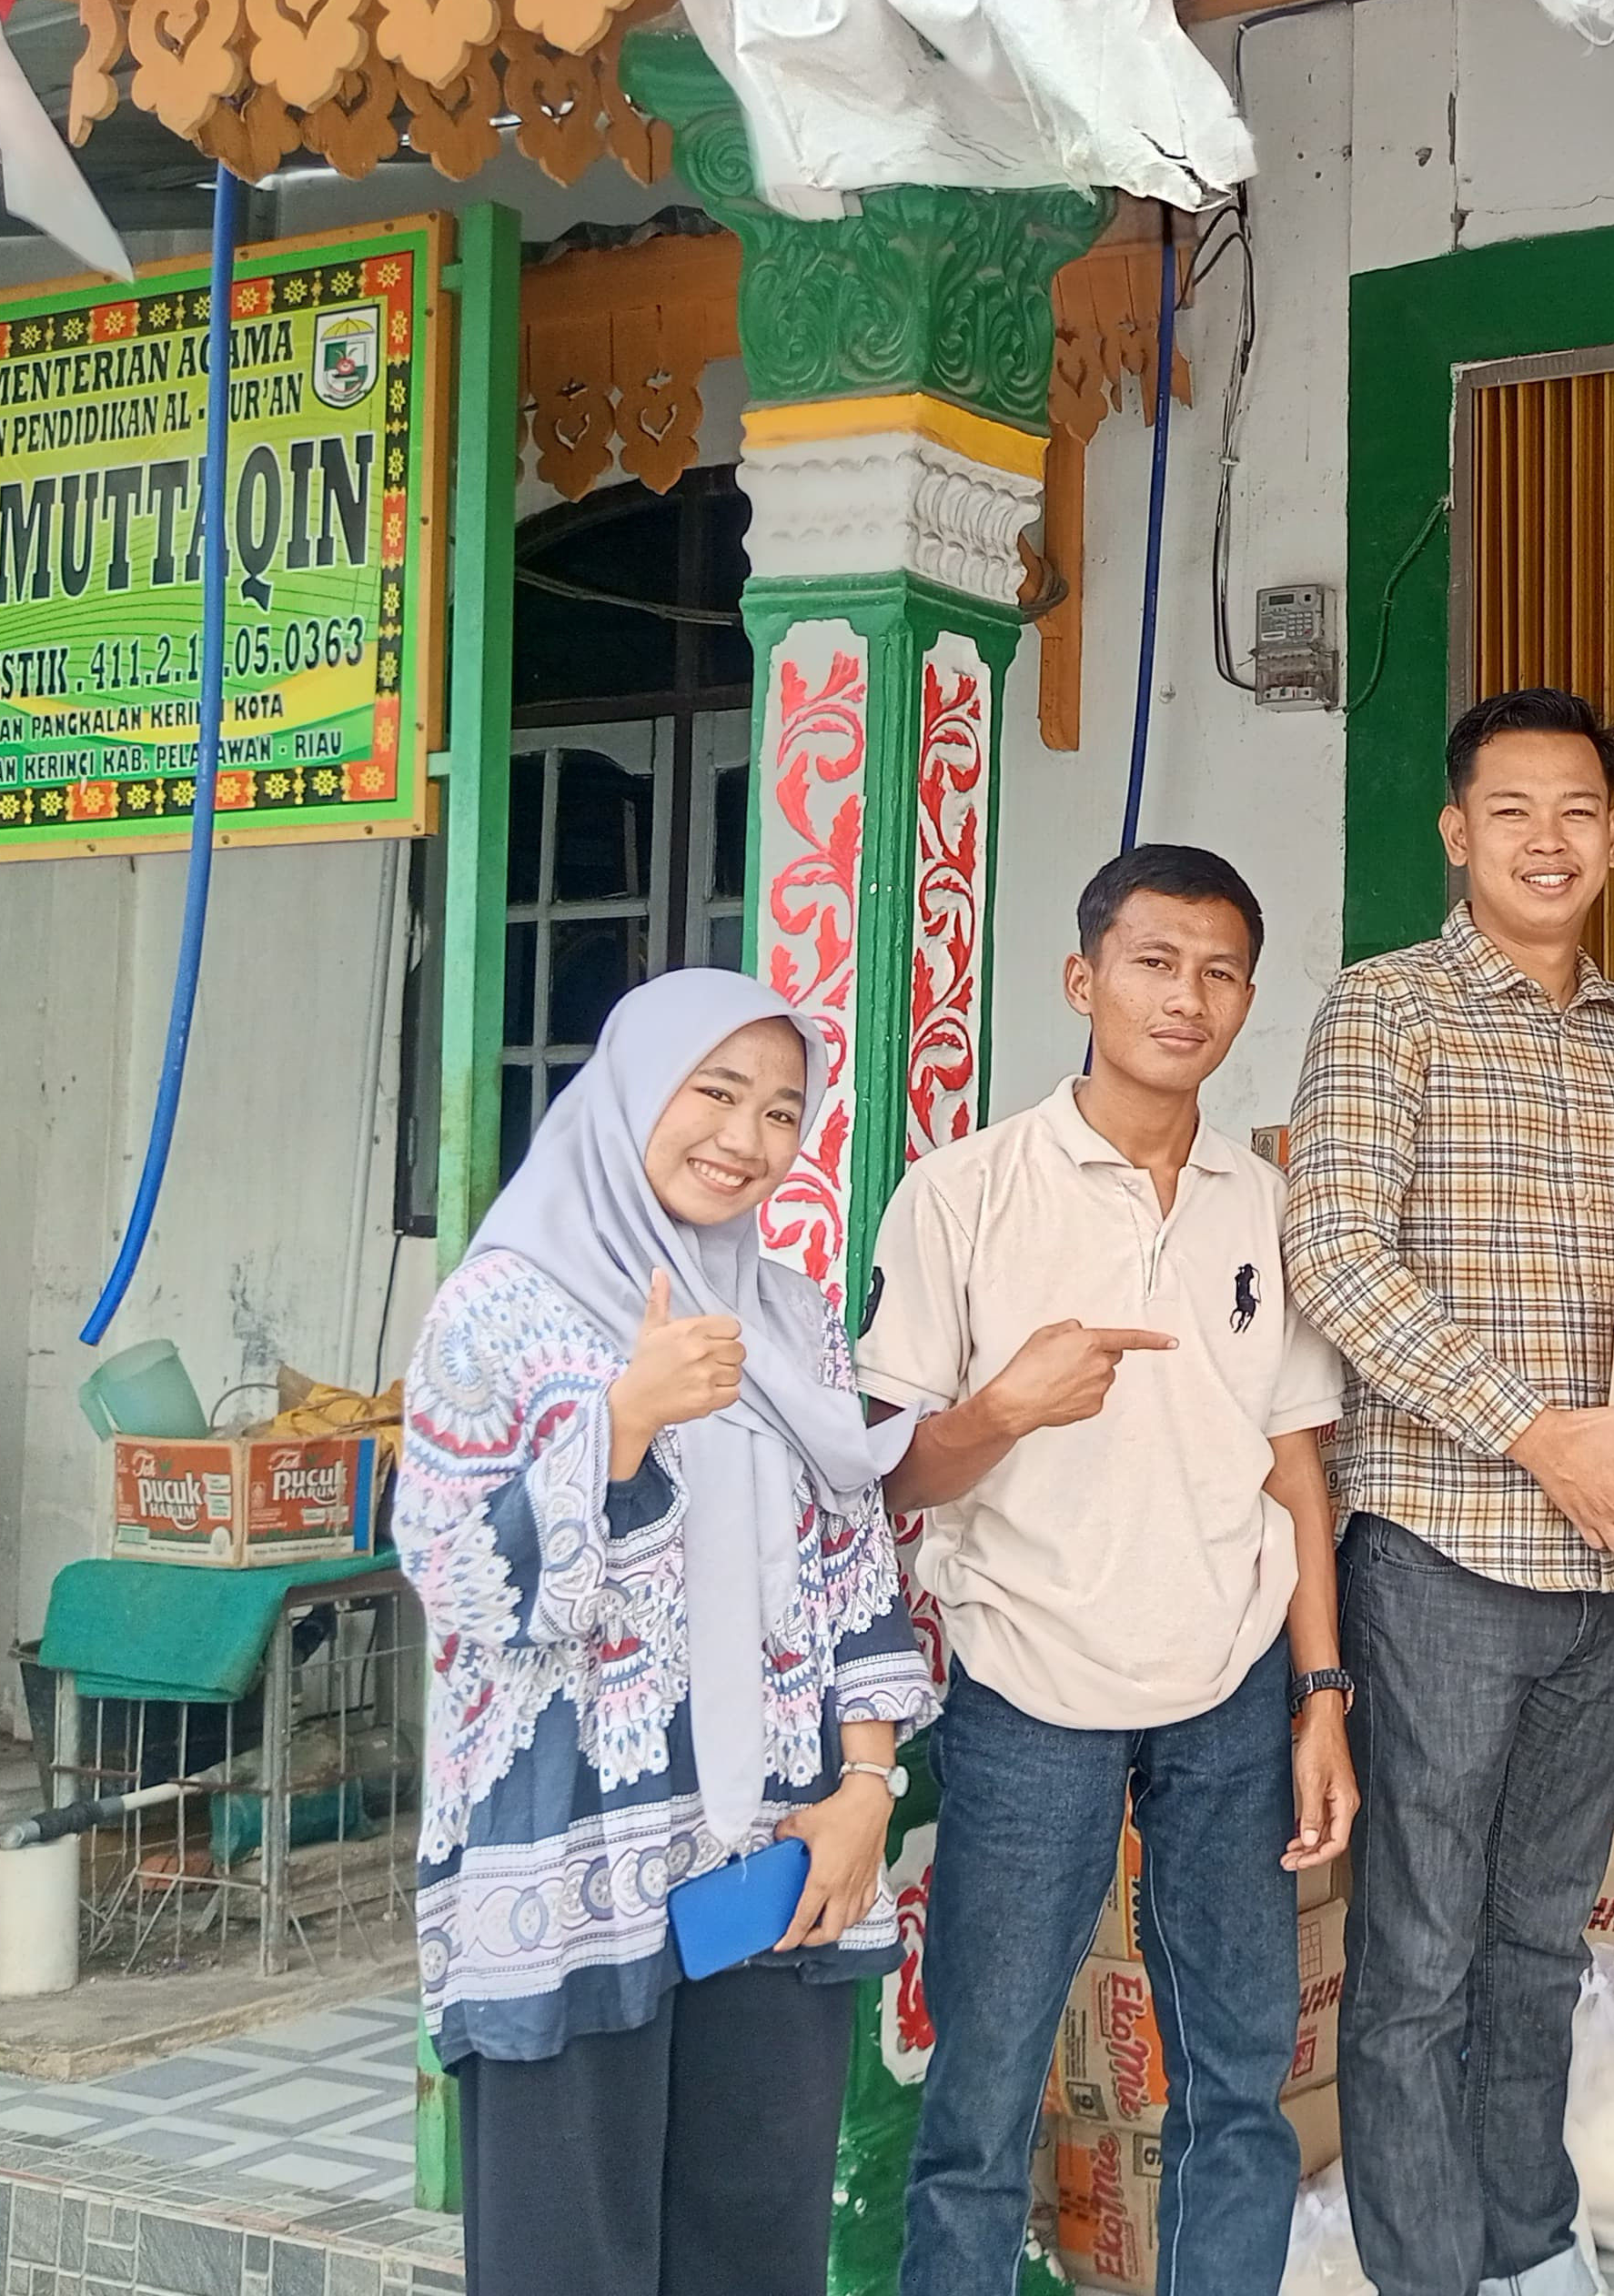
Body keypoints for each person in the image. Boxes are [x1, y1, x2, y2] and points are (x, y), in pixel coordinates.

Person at [399, 969, 938, 2296]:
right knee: (567, 2258)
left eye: (781, 1112)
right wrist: (623, 1421)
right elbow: (457, 1578)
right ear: (634, 1091)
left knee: (754, 2242)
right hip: (569, 1858)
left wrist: (867, 1787)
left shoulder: (789, 1315)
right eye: (716, 1093)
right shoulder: (499, 1310)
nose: (746, 1139)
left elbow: (851, 1557)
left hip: (776, 1851)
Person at [875, 845, 1356, 2296]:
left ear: (1248, 1000)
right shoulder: (962, 1194)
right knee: (982, 2094)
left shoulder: (1266, 1204)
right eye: (1154, 963)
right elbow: (889, 1479)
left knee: (1240, 2088)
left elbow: (1295, 1468)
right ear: (1083, 981)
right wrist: (1004, 1410)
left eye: (1219, 972)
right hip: (1030, 1687)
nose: (1185, 997)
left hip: (1230, 1689)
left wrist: (1321, 1694)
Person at [1280, 687, 1614, 2296]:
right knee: (1421, 1956)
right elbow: (1332, 1257)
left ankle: (1528, 2243)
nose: (1546, 838)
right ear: (1457, 832)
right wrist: (1536, 1433)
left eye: (1577, 809)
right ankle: (1428, 2268)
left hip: (1606, 1569)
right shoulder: (1385, 1009)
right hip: (1442, 1555)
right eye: (1511, 809)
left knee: (1539, 1941)